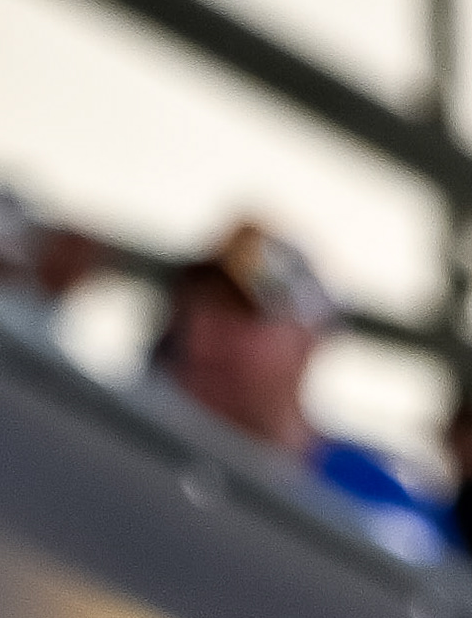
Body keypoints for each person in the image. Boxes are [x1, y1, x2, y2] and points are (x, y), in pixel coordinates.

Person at [150, 218, 453, 563]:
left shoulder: (380, 509)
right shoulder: (132, 444)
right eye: (192, 312)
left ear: (307, 341)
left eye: (237, 317)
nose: (201, 341)